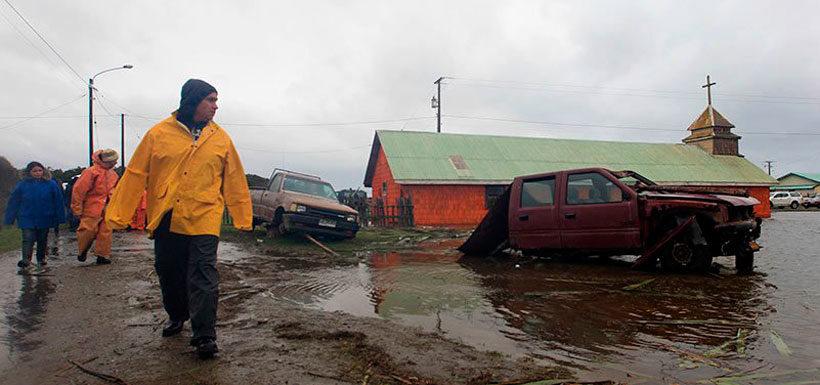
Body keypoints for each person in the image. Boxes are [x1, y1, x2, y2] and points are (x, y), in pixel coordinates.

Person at [105, 79, 252, 359]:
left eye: (216, 100)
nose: (216, 106)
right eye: (210, 99)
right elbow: (136, 173)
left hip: (205, 216)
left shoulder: (221, 138)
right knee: (168, 270)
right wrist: (119, 214)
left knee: (203, 274)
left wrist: (243, 216)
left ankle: (205, 335)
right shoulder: (158, 134)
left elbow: (233, 178)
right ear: (193, 101)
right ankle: (177, 313)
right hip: (167, 215)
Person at [3, 161, 66, 269]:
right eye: (34, 171)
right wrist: (9, 218)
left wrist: (60, 217)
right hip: (26, 216)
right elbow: (14, 202)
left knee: (42, 239)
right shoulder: (22, 185)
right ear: (29, 172)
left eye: (40, 170)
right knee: (28, 238)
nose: (37, 173)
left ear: (43, 171)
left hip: (45, 216)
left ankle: (41, 259)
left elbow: (58, 201)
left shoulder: (51, 184)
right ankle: (26, 260)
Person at [71, 149, 119, 265]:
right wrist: (77, 208)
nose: (114, 164)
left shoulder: (113, 174)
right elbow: (79, 191)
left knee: (105, 232)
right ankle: (82, 250)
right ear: (106, 161)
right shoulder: (90, 172)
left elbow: (115, 190)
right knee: (87, 231)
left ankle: (102, 255)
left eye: (115, 161)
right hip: (91, 207)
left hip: (107, 207)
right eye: (112, 161)